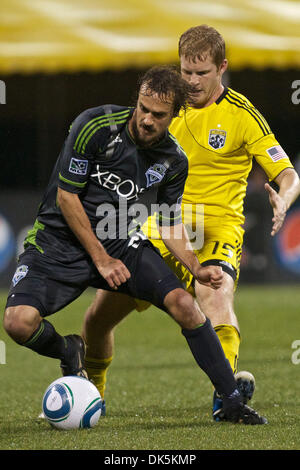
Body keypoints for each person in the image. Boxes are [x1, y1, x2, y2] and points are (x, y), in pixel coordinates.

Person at [3, 66, 267, 424]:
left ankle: (231, 400)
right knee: (18, 323)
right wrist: (100, 258)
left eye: (158, 115)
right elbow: (67, 198)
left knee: (185, 305)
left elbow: (169, 221)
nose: (146, 119)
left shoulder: (173, 160)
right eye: (142, 108)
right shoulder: (94, 126)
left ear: (175, 116)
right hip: (58, 241)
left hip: (122, 243)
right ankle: (69, 349)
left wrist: (194, 266)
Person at [81, 26, 300, 420]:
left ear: (222, 68)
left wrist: (283, 200)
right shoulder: (165, 109)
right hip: (165, 226)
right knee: (97, 319)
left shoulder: (243, 116)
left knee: (215, 295)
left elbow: (288, 175)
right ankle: (89, 398)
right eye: (186, 72)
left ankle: (226, 394)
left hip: (216, 229)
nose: (193, 81)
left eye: (202, 73)